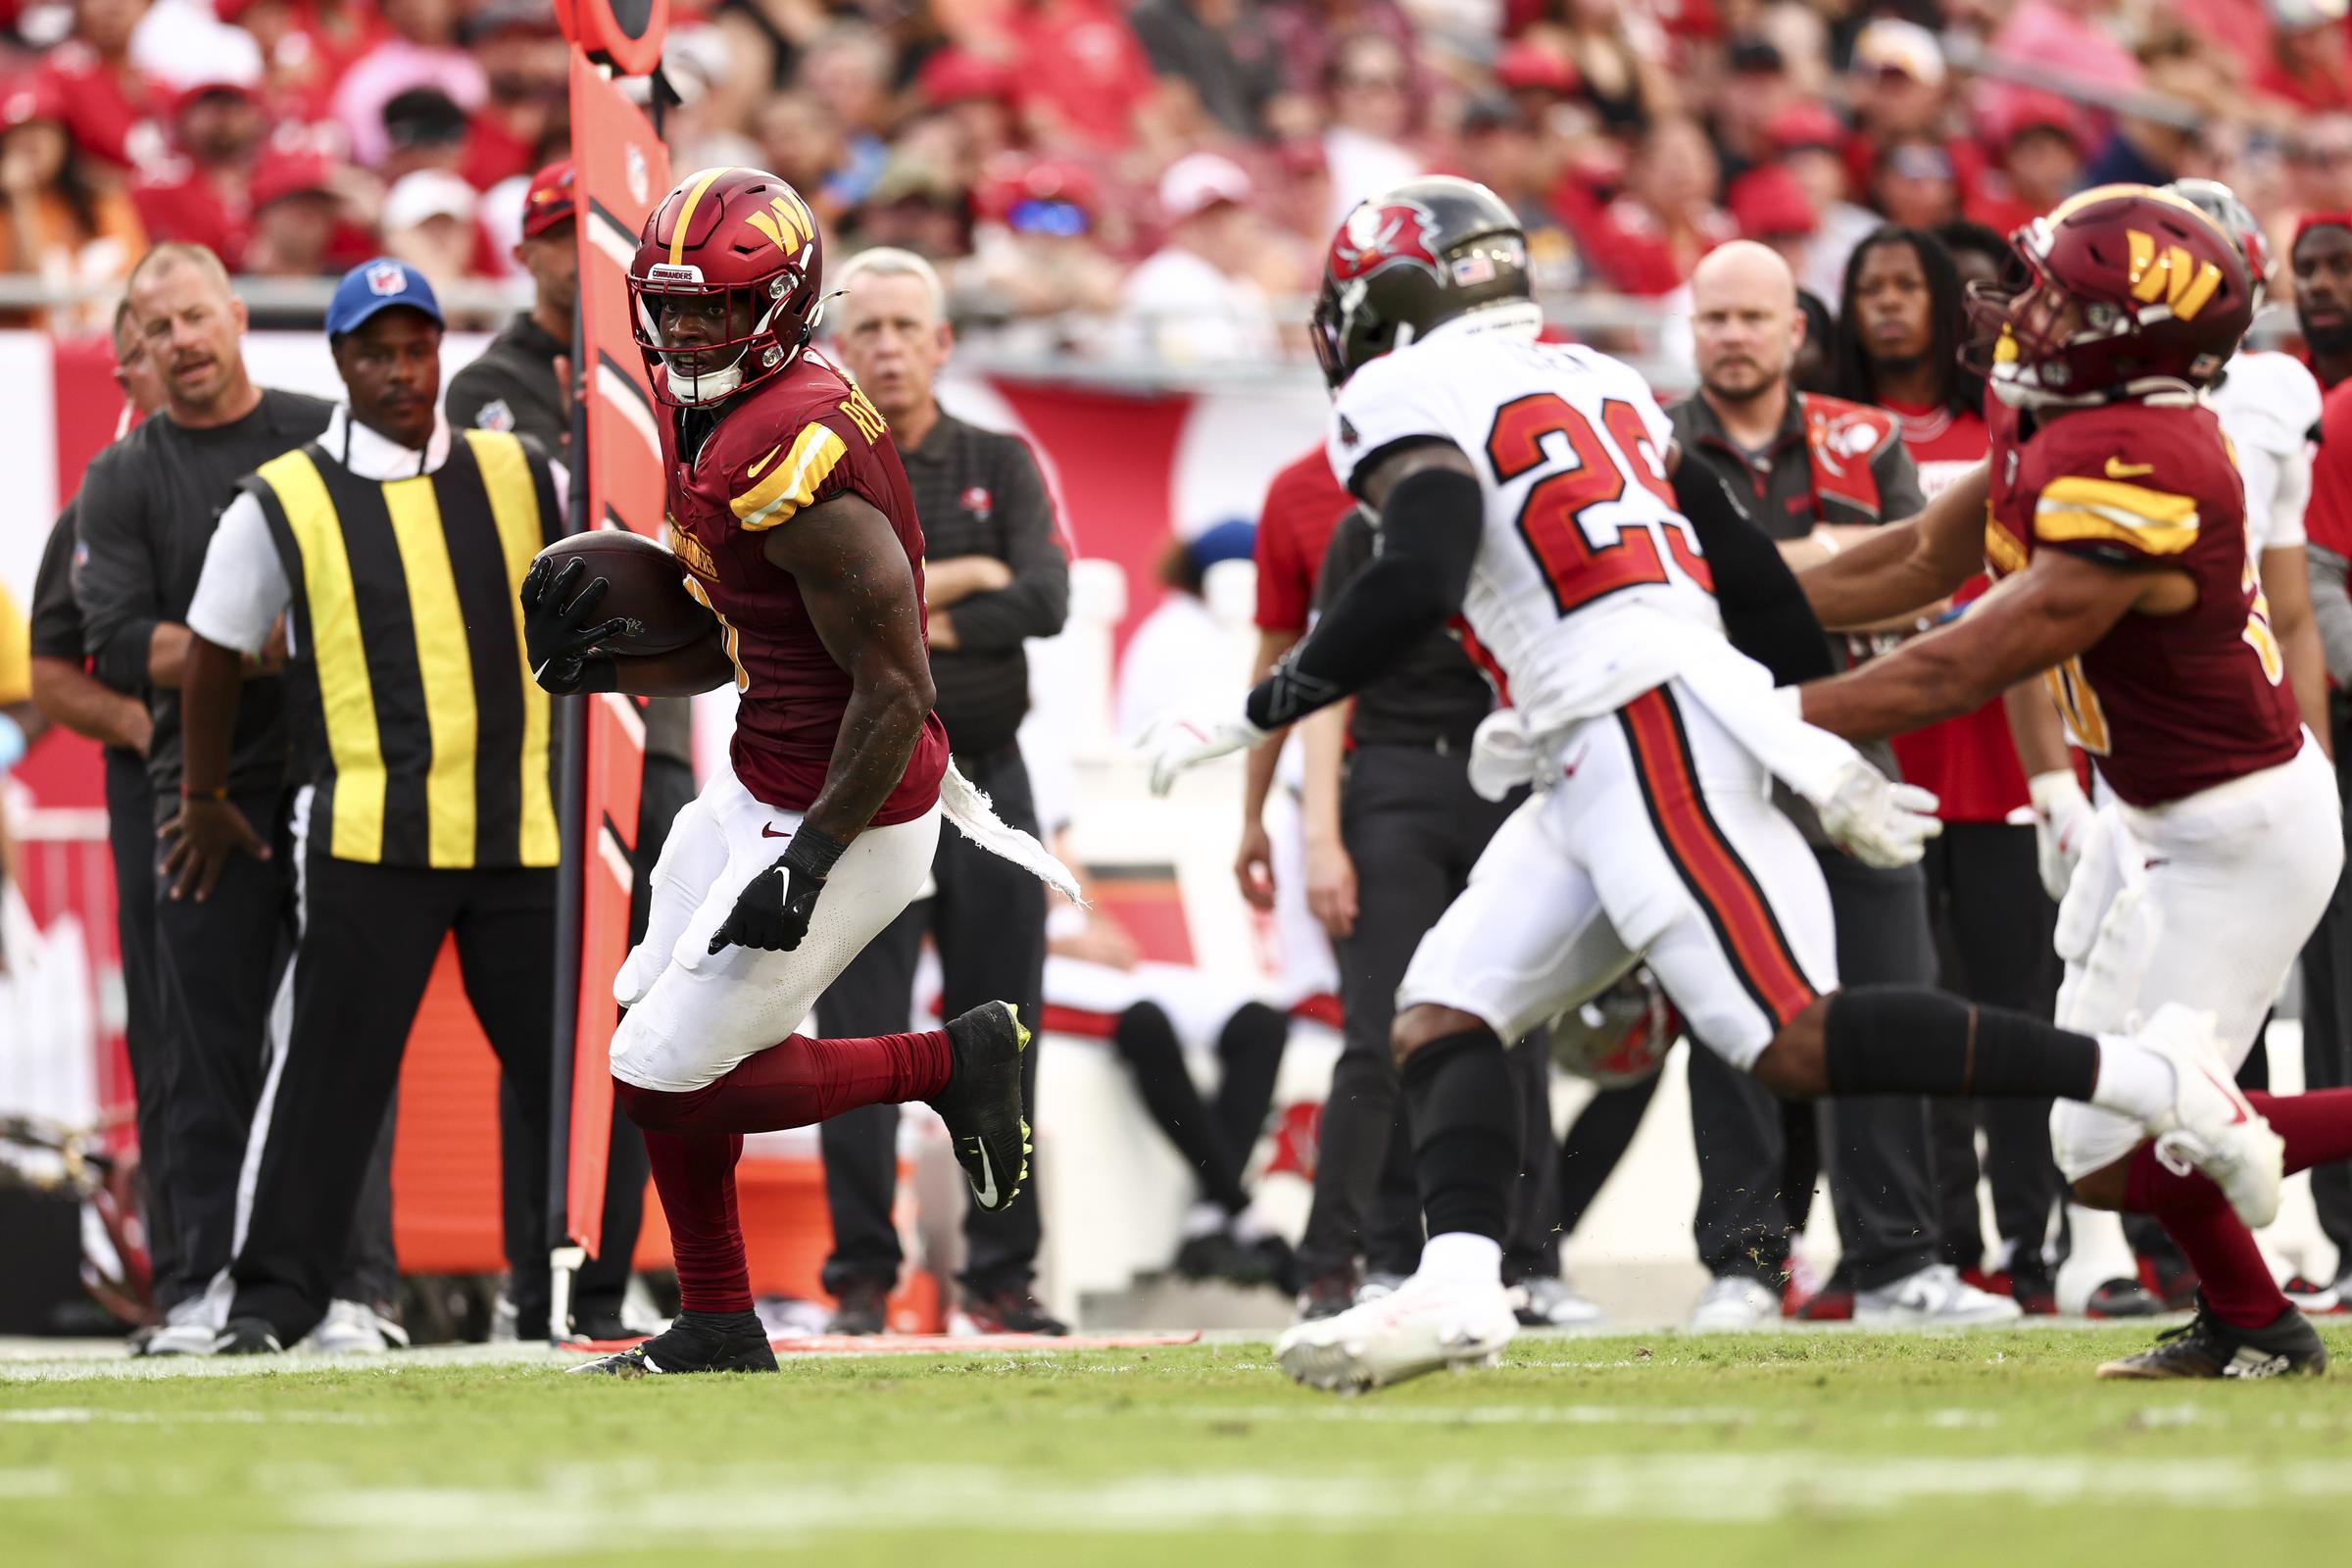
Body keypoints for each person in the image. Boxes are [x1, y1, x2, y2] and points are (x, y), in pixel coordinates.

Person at [1144, 175, 2273, 1395]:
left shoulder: (1399, 391)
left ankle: (2158, 1080)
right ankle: (1458, 1287)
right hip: (1609, 727)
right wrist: (1798, 722)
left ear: (1399, 296)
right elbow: (1731, 549)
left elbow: (1417, 567)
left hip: (1633, 721)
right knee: (1445, 1011)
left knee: (1790, 1039)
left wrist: (1265, 701)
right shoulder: (1599, 375)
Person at [1795, 184, 2352, 1379]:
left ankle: (2256, 1315)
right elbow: (1912, 556)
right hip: (2148, 813)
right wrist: (1697, 606)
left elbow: (1972, 656)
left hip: (2234, 831)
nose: (2024, 306)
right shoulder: (2053, 410)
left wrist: (1761, 721)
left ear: (2127, 331)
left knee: (2115, 1140)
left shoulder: (2145, 453)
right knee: (2099, 1136)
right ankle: (2254, 1322)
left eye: (2059, 292)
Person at [523, 168, 1072, 1378]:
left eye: (716, 312)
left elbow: (897, 690)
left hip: (855, 807)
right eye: (671, 311)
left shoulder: (797, 454)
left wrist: (811, 864)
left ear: (778, 306)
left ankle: (948, 1061)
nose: (688, 336)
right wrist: (627, 654)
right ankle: (719, 1319)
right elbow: (747, 632)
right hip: (762, 770)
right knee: (646, 1021)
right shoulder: (719, 408)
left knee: (662, 1066)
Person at [163, 259, 559, 1355]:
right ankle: (273, 1300)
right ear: (339, 362)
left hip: (520, 830)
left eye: (416, 347)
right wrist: (200, 794)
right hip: (367, 837)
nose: (400, 371)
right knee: (327, 1083)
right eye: (375, 353)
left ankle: (575, 1286)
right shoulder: (285, 496)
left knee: (563, 1075)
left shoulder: (524, 472)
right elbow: (209, 651)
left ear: (440, 350)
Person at [1668, 240, 2007, 1331]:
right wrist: (1821, 557)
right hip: (1714, 774)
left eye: (1750, 318)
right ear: (1691, 326)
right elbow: (1664, 603)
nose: (1731, 336)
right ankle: (1749, 1263)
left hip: (1858, 766)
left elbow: (1913, 586)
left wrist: (1763, 575)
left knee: (1890, 1006)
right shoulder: (1645, 442)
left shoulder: (1869, 439)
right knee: (1734, 1022)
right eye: (1713, 317)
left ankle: (1900, 1259)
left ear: (1794, 328)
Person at [73, 242, 399, 1357]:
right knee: (198, 1053)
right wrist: (237, 650)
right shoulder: (121, 476)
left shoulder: (328, 433)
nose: (181, 343)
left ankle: (353, 1290)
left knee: (341, 1046)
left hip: (334, 784)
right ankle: (204, 1286)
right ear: (140, 348)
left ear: (237, 313)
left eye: (195, 317)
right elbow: (112, 642)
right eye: (156, 329)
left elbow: (391, 579)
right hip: (194, 795)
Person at [811, 245, 1072, 1338]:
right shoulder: (816, 466)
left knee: (1003, 1031)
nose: (887, 347)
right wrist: (965, 585)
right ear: (836, 345)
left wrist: (903, 619)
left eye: (905, 327)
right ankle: (862, 1278)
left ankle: (1002, 1277)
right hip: (867, 785)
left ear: (942, 341)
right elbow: (817, 624)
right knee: (854, 1042)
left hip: (989, 778)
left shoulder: (999, 458)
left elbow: (1048, 597)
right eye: (865, 328)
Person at [438, 159, 667, 1343]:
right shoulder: (492, 383)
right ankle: (541, 1279)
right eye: (560, 237)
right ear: (526, 252)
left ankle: (612, 1278)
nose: (582, 260)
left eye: (601, 238)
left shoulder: (663, 369)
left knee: (639, 1021)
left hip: (657, 732)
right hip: (542, 748)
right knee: (551, 1034)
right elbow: (556, 544)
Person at [1830, 224, 2073, 1315]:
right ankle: (1934, 1244)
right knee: (1902, 1008)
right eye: (1867, 287)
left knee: (2013, 1005)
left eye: (1906, 286)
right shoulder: (1831, 435)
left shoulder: (2004, 424)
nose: (1888, 305)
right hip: (1880, 761)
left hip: (1999, 761)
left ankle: (2034, 1243)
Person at [1293, 502, 1602, 1330]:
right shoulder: (1364, 525)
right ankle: (1386, 1255)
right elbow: (1326, 680)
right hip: (1395, 781)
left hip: (1516, 778)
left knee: (1519, 1022)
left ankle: (1530, 1261)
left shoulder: (1530, 513)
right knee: (1384, 1026)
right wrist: (1320, 834)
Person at [24, 301, 170, 1344]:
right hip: (164, 797)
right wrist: (150, 727)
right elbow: (46, 673)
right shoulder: (102, 497)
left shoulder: (278, 472)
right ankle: (200, 1270)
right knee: (170, 1039)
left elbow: (23, 692)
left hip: (259, 796)